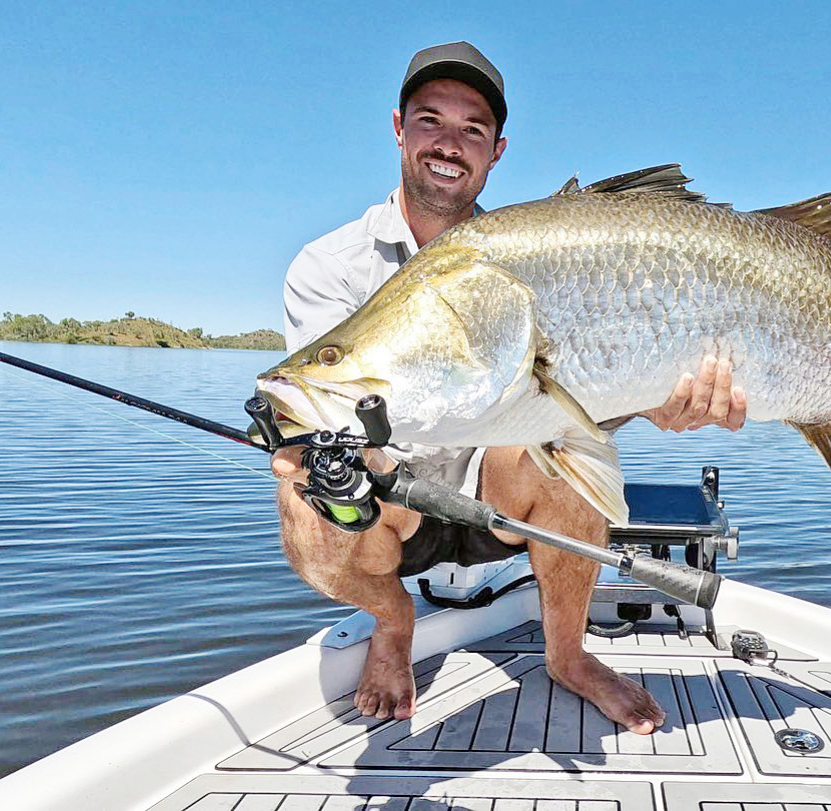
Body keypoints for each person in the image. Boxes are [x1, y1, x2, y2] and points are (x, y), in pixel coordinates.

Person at [271, 42, 746, 735]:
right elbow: (319, 404)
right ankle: (393, 618)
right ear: (399, 129)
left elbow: (582, 392)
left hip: (501, 499)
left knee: (566, 453)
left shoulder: (538, 256)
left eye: (473, 130)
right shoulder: (326, 268)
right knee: (304, 499)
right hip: (389, 516)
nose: (449, 143)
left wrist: (653, 402)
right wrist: (322, 453)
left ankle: (568, 654)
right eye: (431, 120)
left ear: (497, 151)